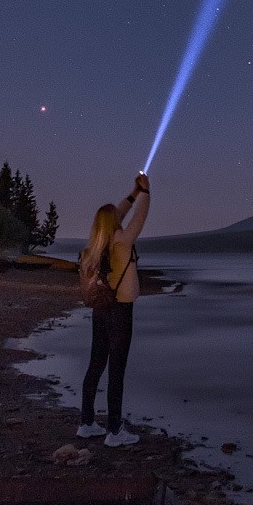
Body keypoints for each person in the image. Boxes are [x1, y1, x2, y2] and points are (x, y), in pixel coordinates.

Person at [77, 171, 150, 447]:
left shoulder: (96, 242)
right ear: (113, 223)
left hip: (101, 308)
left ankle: (86, 423)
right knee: (116, 369)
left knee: (96, 364)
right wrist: (146, 193)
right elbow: (139, 219)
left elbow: (116, 215)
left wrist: (132, 194)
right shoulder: (120, 241)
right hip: (120, 311)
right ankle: (115, 431)